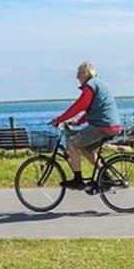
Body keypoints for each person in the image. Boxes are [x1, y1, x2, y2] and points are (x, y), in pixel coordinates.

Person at [49, 61, 122, 190]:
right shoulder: (99, 84)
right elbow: (93, 109)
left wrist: (59, 119)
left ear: (86, 73)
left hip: (102, 126)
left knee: (72, 143)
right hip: (111, 125)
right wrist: (78, 121)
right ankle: (106, 177)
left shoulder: (90, 86)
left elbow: (79, 106)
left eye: (79, 73)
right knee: (85, 148)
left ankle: (78, 180)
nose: (77, 76)